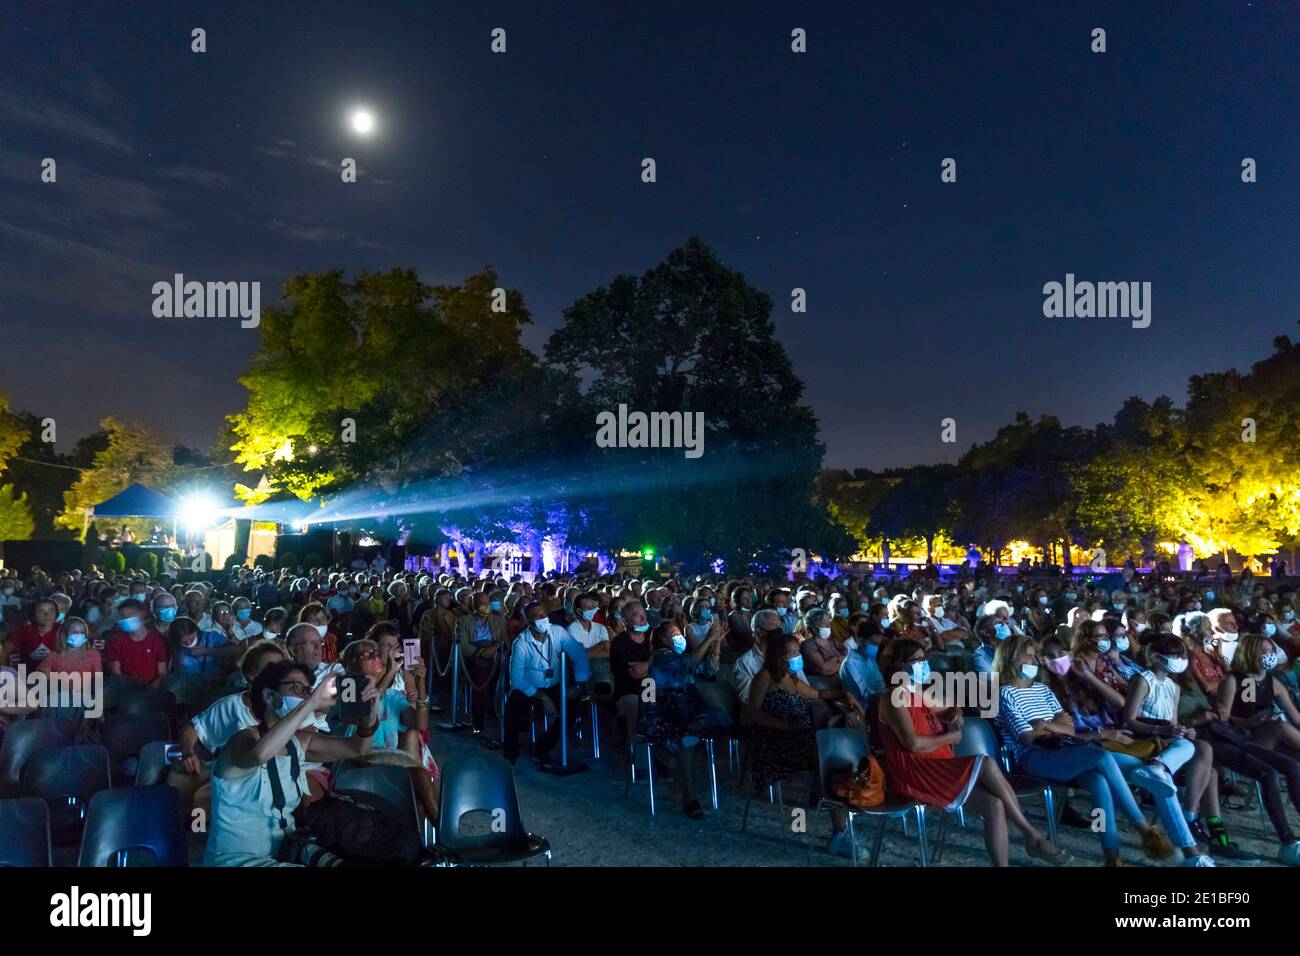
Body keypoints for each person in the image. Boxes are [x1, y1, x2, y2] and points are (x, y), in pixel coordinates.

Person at [995, 635, 1200, 866]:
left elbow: (1069, 729)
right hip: (1033, 757)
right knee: (1101, 755)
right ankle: (1143, 828)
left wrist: (1046, 724)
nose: (1035, 661)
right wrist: (1052, 725)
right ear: (1012, 658)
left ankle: (1112, 858)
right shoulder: (1005, 693)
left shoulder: (1042, 689)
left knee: (1099, 783)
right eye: (1029, 655)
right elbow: (1027, 737)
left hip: (1064, 749)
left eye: (1034, 655)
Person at [879, 639, 1069, 866]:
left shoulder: (916, 691)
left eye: (924, 659)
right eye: (917, 660)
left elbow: (951, 707)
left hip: (940, 765)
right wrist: (950, 737)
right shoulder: (894, 697)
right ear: (900, 666)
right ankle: (1031, 834)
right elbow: (913, 744)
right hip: (915, 770)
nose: (924, 663)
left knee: (994, 805)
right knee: (986, 763)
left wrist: (955, 715)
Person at [202, 661, 378, 866]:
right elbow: (261, 754)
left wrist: (369, 721)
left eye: (308, 690)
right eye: (296, 688)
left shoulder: (299, 741)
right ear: (269, 696)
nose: (304, 695)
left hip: (286, 852)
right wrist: (311, 703)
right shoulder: (242, 740)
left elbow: (357, 748)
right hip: (235, 860)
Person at [1120, 635, 1233, 861]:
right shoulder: (1143, 681)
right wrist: (1161, 731)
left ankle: (1189, 813)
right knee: (1202, 752)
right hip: (1145, 737)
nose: (1180, 660)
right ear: (1156, 657)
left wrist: (1183, 730)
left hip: (1166, 739)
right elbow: (1128, 720)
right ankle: (1186, 811)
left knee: (1204, 752)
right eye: (1175, 655)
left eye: (1182, 655)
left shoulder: (1173, 686)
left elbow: (1171, 723)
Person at [340, 638, 440, 821]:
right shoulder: (348, 687)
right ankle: (444, 836)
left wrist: (421, 685)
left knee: (416, 792)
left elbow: (420, 725)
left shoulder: (393, 696)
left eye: (377, 654)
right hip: (356, 762)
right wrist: (390, 673)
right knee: (417, 776)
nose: (375, 658)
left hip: (388, 763)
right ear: (352, 664)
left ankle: (425, 840)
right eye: (367, 655)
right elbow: (366, 709)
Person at [637, 621, 728, 819]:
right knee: (686, 740)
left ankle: (676, 746)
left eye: (680, 633)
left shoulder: (680, 657)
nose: (680, 637)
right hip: (661, 713)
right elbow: (690, 662)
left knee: (717, 718)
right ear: (663, 639)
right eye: (675, 633)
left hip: (684, 710)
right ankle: (689, 797)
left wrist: (716, 643)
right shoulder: (661, 657)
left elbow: (710, 669)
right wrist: (709, 639)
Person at [501, 601, 590, 766]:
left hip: (554, 685)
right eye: (537, 616)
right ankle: (510, 753)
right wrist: (541, 697)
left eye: (544, 615)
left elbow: (578, 654)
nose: (543, 619)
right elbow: (516, 679)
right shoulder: (521, 643)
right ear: (528, 621)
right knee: (512, 708)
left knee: (573, 709)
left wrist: (578, 684)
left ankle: (543, 745)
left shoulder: (558, 632)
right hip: (528, 687)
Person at [455, 591, 506, 734]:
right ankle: (479, 720)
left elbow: (504, 640)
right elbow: (463, 646)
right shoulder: (464, 621)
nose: (486, 606)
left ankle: (498, 713)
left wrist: (495, 648)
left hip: (495, 654)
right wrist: (483, 652)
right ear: (474, 605)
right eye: (481, 603)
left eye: (487, 602)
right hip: (475, 656)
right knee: (479, 679)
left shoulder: (498, 620)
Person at [103, 599, 169, 687]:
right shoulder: (114, 642)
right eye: (124, 617)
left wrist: (150, 690)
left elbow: (162, 673)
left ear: (142, 613)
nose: (127, 619)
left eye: (131, 615)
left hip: (153, 691)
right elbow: (116, 674)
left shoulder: (157, 641)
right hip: (125, 691)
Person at [1, 598, 61, 667]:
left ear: (56, 614)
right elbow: (5, 651)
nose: (47, 615)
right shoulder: (24, 631)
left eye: (51, 611)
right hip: (26, 673)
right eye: (41, 611)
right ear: (34, 615)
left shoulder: (63, 630)